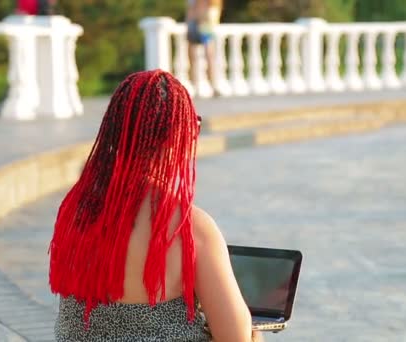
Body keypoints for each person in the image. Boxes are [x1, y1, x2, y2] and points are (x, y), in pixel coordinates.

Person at [49, 70, 263, 342]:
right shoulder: (189, 228)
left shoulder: (75, 211)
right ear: (178, 135)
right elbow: (235, 338)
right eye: (192, 125)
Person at [187, 0, 222, 94]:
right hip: (199, 24)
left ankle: (212, 85)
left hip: (204, 24)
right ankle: (208, 86)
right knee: (196, 58)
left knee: (207, 57)